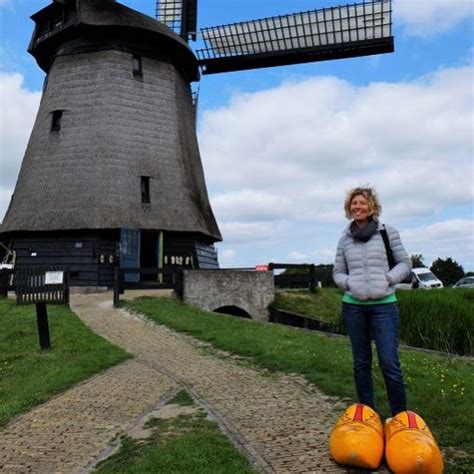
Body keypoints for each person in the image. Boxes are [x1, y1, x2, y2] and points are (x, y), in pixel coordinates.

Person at [333, 186, 411, 417]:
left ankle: (400, 417)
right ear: (349, 208)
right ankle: (368, 416)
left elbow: (405, 264)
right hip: (354, 306)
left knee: (389, 363)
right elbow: (337, 271)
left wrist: (388, 279)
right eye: (353, 204)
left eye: (362, 203)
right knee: (361, 363)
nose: (358, 207)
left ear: (372, 207)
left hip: (384, 305)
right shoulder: (344, 239)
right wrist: (348, 283)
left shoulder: (388, 233)